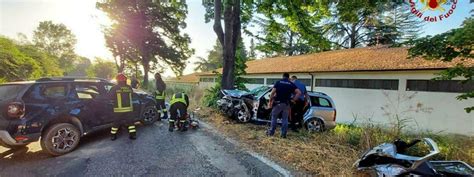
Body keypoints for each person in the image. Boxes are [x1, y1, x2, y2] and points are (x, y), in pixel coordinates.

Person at [267, 73, 301, 138]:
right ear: (288, 78)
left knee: (274, 118)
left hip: (277, 103)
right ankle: (283, 135)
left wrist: (270, 102)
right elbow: (299, 93)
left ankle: (271, 132)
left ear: (282, 77)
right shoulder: (291, 84)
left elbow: (272, 93)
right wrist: (293, 100)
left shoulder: (278, 82)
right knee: (285, 119)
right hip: (286, 104)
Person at [109, 73, 137, 140]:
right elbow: (133, 95)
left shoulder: (114, 88)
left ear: (117, 80)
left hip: (118, 110)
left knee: (116, 123)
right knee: (131, 123)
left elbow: (110, 97)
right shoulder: (129, 87)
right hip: (129, 109)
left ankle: (113, 136)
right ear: (125, 80)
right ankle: (133, 135)